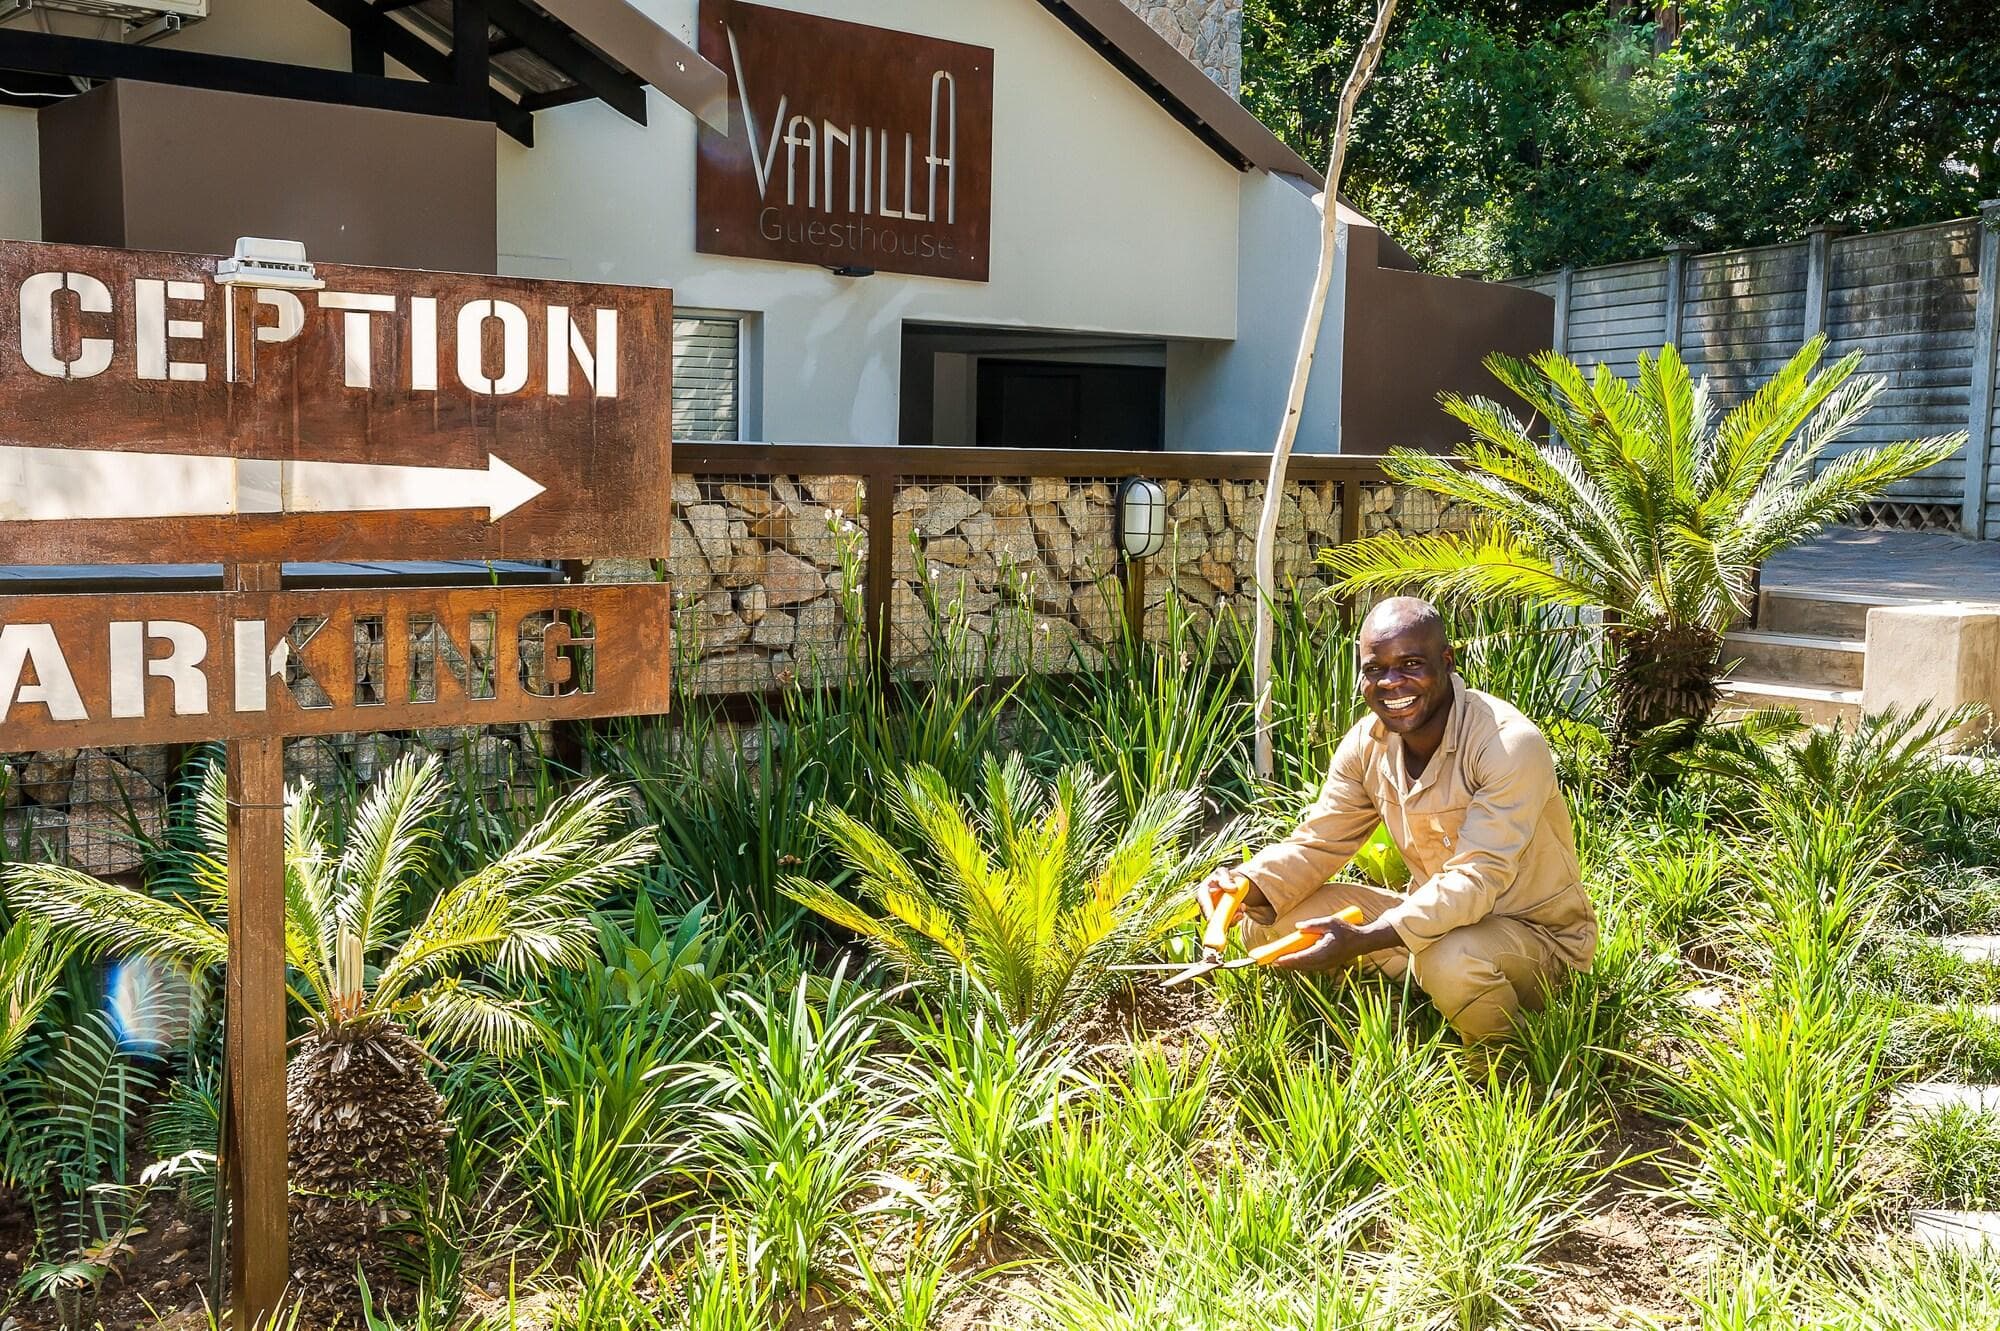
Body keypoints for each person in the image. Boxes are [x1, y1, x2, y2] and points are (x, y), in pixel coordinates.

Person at [1201, 596, 1596, 1041]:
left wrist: (1369, 938)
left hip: (1535, 942)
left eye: (1410, 664)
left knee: (1450, 958)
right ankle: (1385, 1017)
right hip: (1432, 925)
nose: (1392, 683)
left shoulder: (1508, 744)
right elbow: (1318, 842)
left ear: (1446, 661)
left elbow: (1477, 878)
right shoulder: (1366, 745)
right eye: (1375, 669)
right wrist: (1247, 884)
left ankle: (1501, 1066)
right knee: (1268, 922)